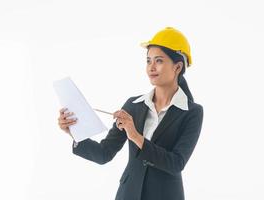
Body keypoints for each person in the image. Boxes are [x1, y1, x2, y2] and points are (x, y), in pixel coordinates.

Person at [58, 27, 204, 200]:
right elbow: (104, 153)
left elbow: (176, 163)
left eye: (159, 61)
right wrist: (75, 132)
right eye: (148, 61)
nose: (151, 67)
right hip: (129, 194)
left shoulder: (192, 112)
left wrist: (135, 136)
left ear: (177, 67)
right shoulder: (133, 105)